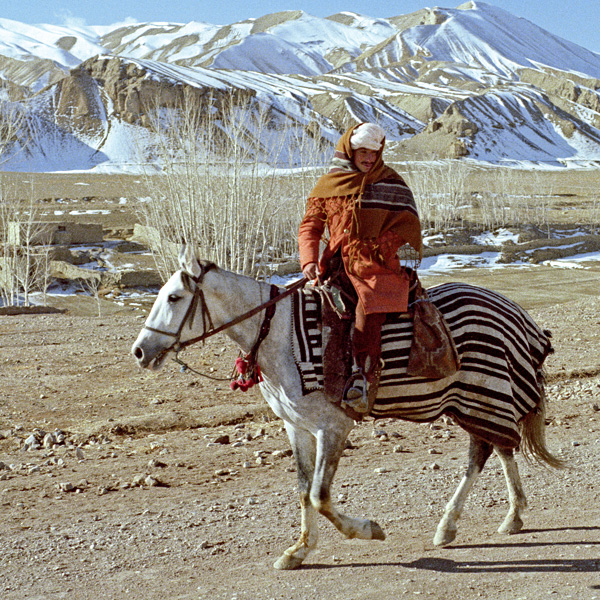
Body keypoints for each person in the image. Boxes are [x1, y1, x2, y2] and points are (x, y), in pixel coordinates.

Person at [298, 122, 422, 411]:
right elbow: (311, 227)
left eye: (373, 152)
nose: (368, 158)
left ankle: (363, 380)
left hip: (376, 266)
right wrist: (308, 260)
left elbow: (407, 224)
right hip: (335, 266)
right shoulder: (328, 185)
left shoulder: (391, 183)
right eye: (362, 152)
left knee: (367, 314)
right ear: (349, 151)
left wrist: (378, 247)